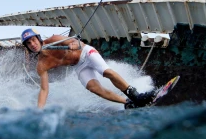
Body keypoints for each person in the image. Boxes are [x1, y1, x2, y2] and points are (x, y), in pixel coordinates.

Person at [21, 28, 158, 109]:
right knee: (94, 89)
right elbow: (44, 90)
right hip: (78, 66)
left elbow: (76, 41)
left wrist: (75, 44)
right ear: (27, 47)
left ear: (38, 39)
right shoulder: (41, 65)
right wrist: (39, 111)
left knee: (106, 72)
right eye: (28, 43)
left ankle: (136, 96)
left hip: (86, 53)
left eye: (33, 40)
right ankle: (128, 103)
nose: (32, 44)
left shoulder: (54, 40)